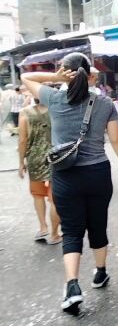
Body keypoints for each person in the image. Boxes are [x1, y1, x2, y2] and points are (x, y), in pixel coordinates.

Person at [21, 52, 118, 314]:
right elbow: (117, 140)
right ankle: (100, 273)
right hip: (97, 173)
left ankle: (72, 286)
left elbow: (25, 76)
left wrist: (54, 77)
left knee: (72, 231)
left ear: (66, 73)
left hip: (65, 175)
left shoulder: (54, 97)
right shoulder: (104, 103)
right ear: (88, 74)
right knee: (97, 224)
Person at [18, 98, 62, 245]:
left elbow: (23, 140)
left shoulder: (25, 113)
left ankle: (43, 228)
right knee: (54, 198)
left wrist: (21, 162)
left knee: (38, 195)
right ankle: (55, 235)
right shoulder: (56, 111)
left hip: (34, 160)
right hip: (55, 158)